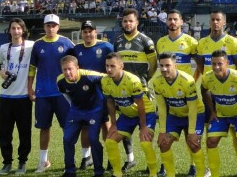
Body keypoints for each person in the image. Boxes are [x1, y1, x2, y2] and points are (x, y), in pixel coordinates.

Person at [28, 14, 75, 173]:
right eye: (48, 25)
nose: (50, 28)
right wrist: (30, 87)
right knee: (44, 127)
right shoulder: (37, 44)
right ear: (44, 26)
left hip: (63, 94)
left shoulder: (67, 43)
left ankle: (69, 161)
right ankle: (43, 161)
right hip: (43, 94)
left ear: (58, 27)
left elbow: (74, 67)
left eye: (53, 25)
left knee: (67, 127)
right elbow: (32, 68)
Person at [113, 8, 158, 171]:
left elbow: (153, 65)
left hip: (141, 90)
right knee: (125, 127)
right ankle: (130, 158)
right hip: (123, 92)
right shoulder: (117, 41)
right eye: (125, 21)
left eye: (131, 21)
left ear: (137, 22)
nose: (127, 24)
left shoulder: (146, 41)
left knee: (145, 128)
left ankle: (149, 163)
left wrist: (144, 80)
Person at [102, 52, 159, 177]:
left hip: (145, 113)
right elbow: (110, 103)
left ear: (121, 66)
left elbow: (141, 105)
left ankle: (153, 173)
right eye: (107, 66)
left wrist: (143, 127)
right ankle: (117, 173)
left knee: (145, 142)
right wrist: (113, 124)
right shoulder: (105, 81)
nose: (109, 69)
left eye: (112, 66)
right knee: (110, 142)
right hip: (127, 115)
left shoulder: (132, 80)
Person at [151, 52, 207, 177]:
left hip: (195, 114)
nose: (164, 69)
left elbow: (192, 108)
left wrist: (192, 132)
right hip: (175, 115)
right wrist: (162, 131)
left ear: (175, 65)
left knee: (193, 144)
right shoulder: (157, 82)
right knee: (164, 143)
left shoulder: (187, 81)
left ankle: (202, 172)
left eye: (167, 65)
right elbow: (161, 107)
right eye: (161, 66)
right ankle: (170, 174)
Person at [201, 51, 237, 177]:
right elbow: (204, 90)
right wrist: (212, 111)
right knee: (211, 142)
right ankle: (214, 174)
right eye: (213, 64)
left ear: (227, 63)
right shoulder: (207, 77)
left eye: (220, 63)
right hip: (221, 116)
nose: (216, 67)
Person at [0, 18, 34, 175]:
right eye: (13, 28)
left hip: (23, 98)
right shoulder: (4, 48)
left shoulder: (31, 46)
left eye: (19, 28)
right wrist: (1, 72)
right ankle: (7, 163)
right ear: (9, 30)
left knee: (24, 133)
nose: (16, 31)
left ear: (23, 30)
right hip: (5, 97)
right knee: (4, 133)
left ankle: (22, 163)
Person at [73, 20, 114, 171]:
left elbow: (114, 65)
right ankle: (86, 157)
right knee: (85, 125)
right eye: (85, 31)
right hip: (84, 93)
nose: (88, 34)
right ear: (81, 33)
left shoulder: (106, 47)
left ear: (96, 32)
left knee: (106, 124)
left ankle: (111, 157)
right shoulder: (76, 49)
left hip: (103, 93)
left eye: (91, 31)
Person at [56, 56, 107, 177]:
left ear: (77, 68)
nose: (67, 72)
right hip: (76, 111)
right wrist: (74, 108)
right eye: (64, 69)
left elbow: (108, 77)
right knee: (67, 139)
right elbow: (65, 95)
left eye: (70, 69)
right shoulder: (60, 81)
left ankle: (99, 171)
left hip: (94, 110)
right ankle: (70, 170)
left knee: (93, 139)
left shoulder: (89, 75)